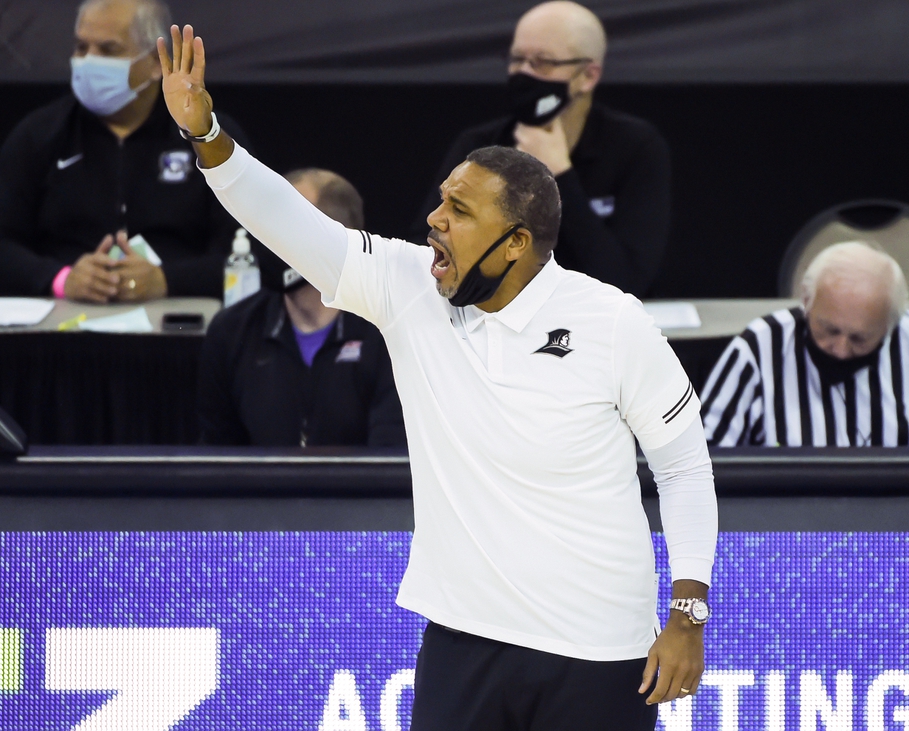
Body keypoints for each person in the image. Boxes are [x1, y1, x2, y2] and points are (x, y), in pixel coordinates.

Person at [159, 25, 716, 729]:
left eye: (459, 210)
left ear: (516, 243)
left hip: (600, 648)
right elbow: (290, 222)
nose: (433, 220)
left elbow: (685, 469)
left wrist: (688, 612)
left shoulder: (612, 320)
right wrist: (207, 134)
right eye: (441, 199)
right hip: (463, 639)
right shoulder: (408, 288)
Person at [0, 0, 254, 302]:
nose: (89, 61)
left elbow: (252, 252)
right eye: (81, 48)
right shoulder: (40, 134)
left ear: (159, 63)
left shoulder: (207, 139)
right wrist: (60, 279)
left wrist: (167, 279)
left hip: (179, 323)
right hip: (63, 323)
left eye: (108, 50)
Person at [410, 1, 670, 298]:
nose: (524, 74)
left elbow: (625, 279)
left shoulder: (635, 147)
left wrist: (559, 176)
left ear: (587, 76)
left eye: (542, 62)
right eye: (517, 59)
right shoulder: (479, 146)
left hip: (591, 320)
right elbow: (425, 248)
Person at [197, 169, 406, 448]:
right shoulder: (232, 331)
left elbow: (389, 464)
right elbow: (217, 461)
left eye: (282, 224)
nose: (264, 237)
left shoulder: (387, 333)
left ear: (332, 238)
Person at [701, 241, 909, 446]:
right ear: (806, 302)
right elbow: (703, 459)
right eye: (829, 330)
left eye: (859, 339)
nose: (840, 350)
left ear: (890, 325)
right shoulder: (760, 346)